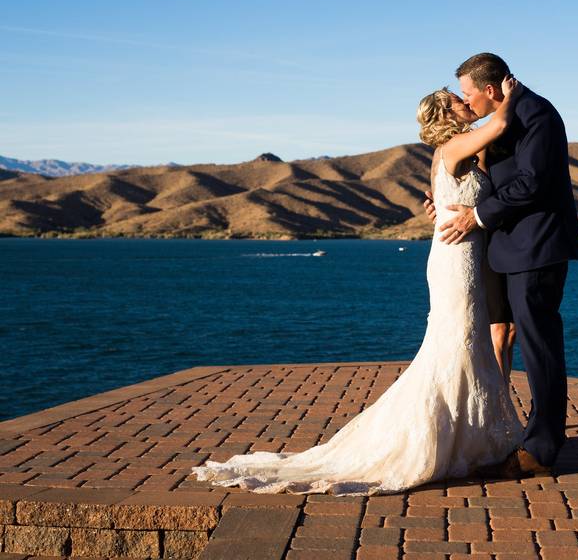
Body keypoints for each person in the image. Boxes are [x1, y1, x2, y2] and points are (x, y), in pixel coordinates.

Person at [190, 75, 525, 495]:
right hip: (456, 259)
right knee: (457, 343)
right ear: (446, 115)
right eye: (458, 101)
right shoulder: (456, 145)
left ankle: (468, 436)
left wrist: (441, 209)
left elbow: (454, 195)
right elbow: (498, 125)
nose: (466, 103)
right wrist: (510, 96)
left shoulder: (449, 152)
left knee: (461, 345)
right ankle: (451, 439)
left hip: (460, 253)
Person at [426, 52, 578, 478]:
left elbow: (533, 182)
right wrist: (450, 206)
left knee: (540, 346)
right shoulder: (504, 118)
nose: (467, 101)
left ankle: (542, 449)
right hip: (507, 248)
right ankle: (525, 435)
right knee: (523, 340)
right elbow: (494, 180)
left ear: (491, 90)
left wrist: (475, 216)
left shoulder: (537, 115)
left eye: (468, 94)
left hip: (537, 248)